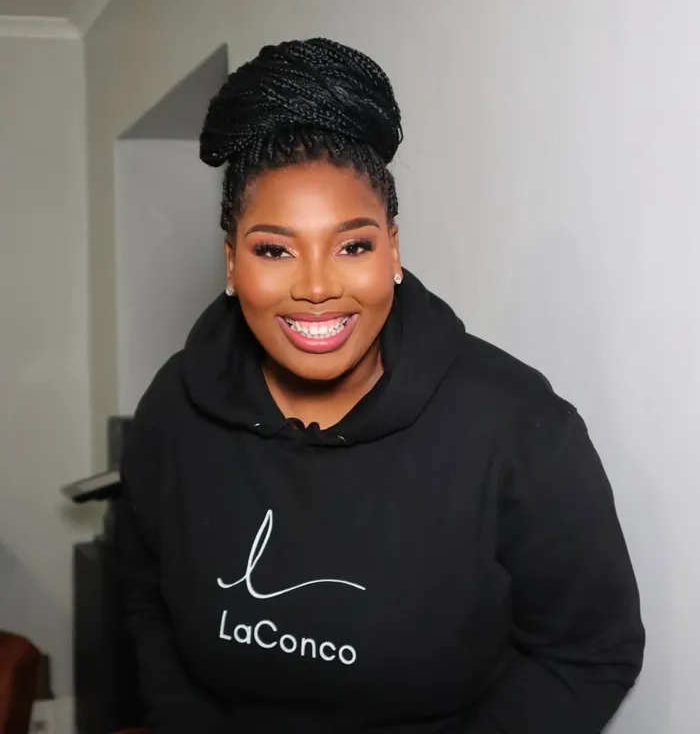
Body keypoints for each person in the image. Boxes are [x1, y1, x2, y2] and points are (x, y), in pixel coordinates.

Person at [116, 37, 644, 734]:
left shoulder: (517, 426)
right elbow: (145, 601)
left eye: (353, 245)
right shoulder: (174, 409)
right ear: (232, 265)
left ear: (392, 249)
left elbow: (589, 653)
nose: (315, 287)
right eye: (274, 249)